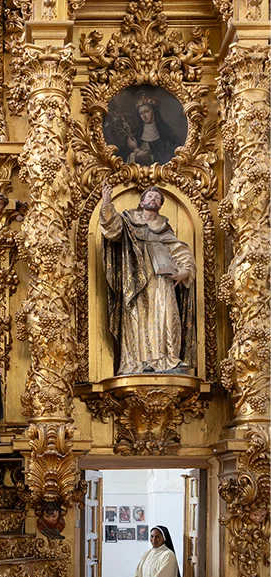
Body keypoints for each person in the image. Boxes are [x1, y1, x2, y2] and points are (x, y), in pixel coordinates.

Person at [100, 182, 196, 375]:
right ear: (142, 202)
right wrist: (106, 203)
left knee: (166, 315)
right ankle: (137, 362)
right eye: (150, 197)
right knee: (138, 318)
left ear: (160, 205)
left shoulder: (164, 229)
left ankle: (168, 360)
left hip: (161, 280)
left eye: (157, 198)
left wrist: (186, 270)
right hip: (135, 280)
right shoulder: (128, 221)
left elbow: (180, 250)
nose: (153, 199)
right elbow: (112, 230)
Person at [126, 97, 181, 166]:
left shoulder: (165, 130)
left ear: (153, 111)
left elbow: (172, 154)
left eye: (146, 111)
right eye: (141, 113)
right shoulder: (136, 133)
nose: (144, 116)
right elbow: (123, 157)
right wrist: (135, 154)